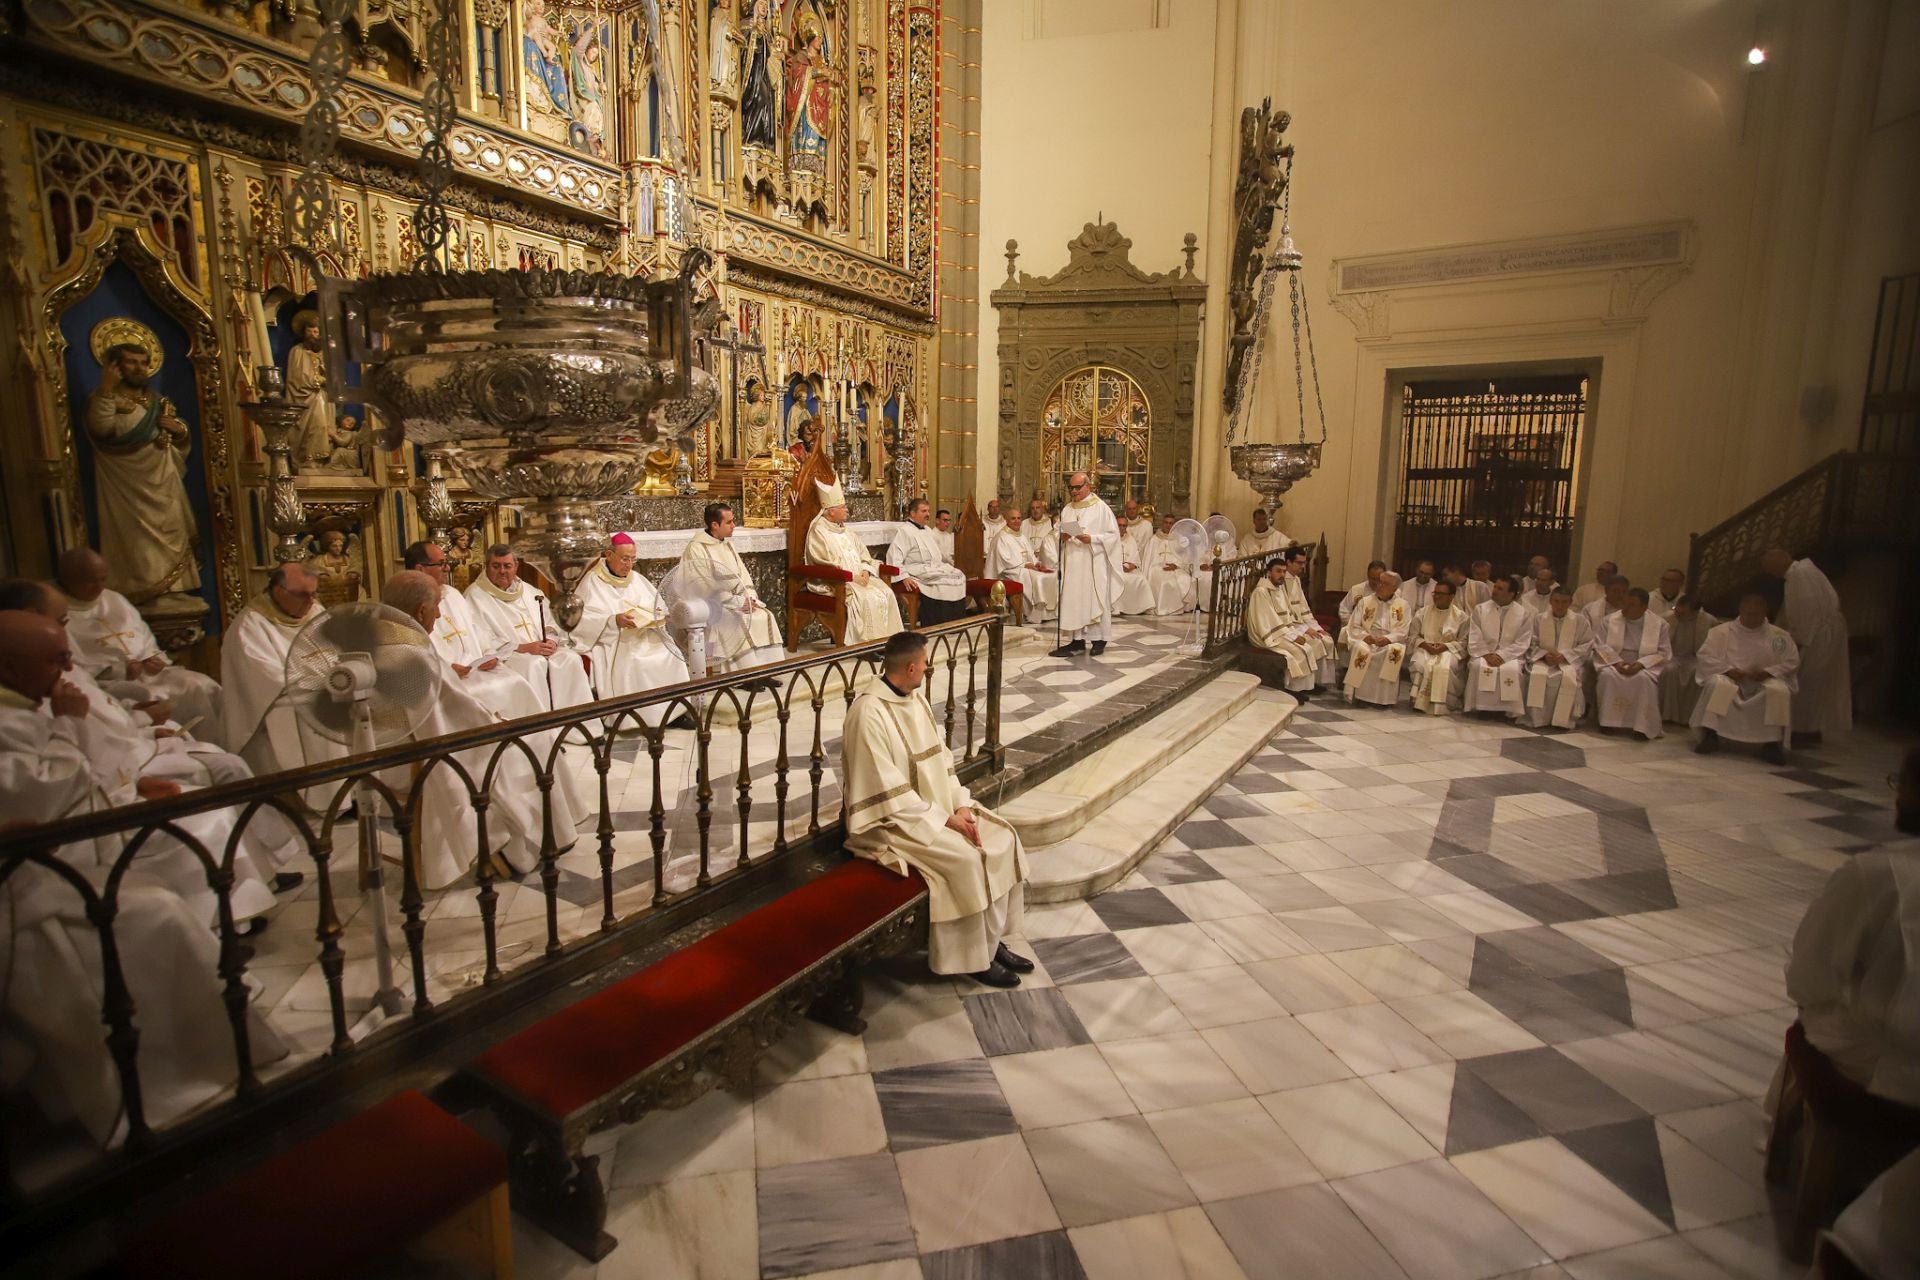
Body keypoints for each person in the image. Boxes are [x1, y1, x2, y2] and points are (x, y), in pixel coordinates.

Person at [840, 631, 1030, 988]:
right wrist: (945, 820)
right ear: (911, 668)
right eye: (926, 663)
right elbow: (886, 793)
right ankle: (972, 957)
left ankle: (991, 943)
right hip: (893, 823)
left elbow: (943, 762)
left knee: (1002, 837)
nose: (928, 669)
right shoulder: (868, 714)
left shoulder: (918, 701)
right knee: (967, 859)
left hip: (938, 808)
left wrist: (960, 804)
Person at [379, 572, 580, 887]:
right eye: (436, 608)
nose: (440, 615)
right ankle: (520, 848)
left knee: (529, 735)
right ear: (420, 611)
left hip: (396, 749)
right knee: (536, 743)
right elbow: (458, 720)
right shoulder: (416, 659)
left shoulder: (387, 641)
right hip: (427, 757)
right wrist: (497, 722)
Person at [1780, 744, 1919, 1107]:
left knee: (1818, 1021)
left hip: (1887, 1074)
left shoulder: (1876, 875)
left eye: (1901, 781)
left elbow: (1808, 977)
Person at [56, 547, 223, 736]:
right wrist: (119, 670)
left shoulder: (115, 599)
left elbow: (143, 635)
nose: (99, 587)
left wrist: (153, 658)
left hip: (148, 675)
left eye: (102, 579)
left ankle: (216, 743)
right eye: (90, 582)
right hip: (108, 684)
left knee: (201, 685)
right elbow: (71, 667)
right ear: (68, 578)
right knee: (150, 697)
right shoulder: (57, 612)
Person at [219, 562, 346, 782]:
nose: (311, 601)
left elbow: (335, 650)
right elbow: (270, 680)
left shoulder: (315, 611)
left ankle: (358, 785)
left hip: (323, 687)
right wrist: (317, 683)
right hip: (278, 703)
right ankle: (323, 789)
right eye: (303, 595)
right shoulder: (250, 626)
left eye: (314, 593)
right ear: (279, 591)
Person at [405, 541, 549, 723]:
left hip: (477, 668)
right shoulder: (409, 602)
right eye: (441, 563)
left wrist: (489, 654)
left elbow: (475, 629)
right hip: (447, 679)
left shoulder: (452, 594)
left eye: (446, 562)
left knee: (515, 682)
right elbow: (413, 652)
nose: (447, 568)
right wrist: (447, 670)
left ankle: (534, 733)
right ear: (420, 569)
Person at [573, 533, 693, 728]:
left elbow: (656, 605)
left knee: (672, 654)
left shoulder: (636, 579)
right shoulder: (592, 581)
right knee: (636, 661)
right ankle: (637, 719)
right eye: (624, 559)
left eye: (633, 559)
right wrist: (613, 621)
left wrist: (660, 615)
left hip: (644, 634)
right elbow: (581, 620)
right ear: (608, 554)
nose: (629, 565)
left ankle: (674, 713)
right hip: (614, 640)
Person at [464, 545, 595, 708]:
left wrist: (551, 640)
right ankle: (540, 722)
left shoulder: (528, 590)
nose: (502, 571)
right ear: (486, 566)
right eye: (496, 566)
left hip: (541, 648)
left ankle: (576, 720)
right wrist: (524, 648)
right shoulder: (475, 596)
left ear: (516, 566)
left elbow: (550, 621)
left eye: (507, 566)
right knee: (533, 665)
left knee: (570, 658)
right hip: (509, 655)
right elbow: (481, 638)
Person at [670, 505, 788, 673]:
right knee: (736, 621)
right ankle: (744, 676)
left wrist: (749, 598)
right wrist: (737, 603)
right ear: (714, 525)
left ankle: (766, 671)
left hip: (734, 601)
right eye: (729, 522)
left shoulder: (727, 544)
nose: (734, 525)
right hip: (709, 606)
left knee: (765, 615)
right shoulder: (696, 548)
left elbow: (743, 576)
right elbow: (704, 587)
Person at [1692, 592, 1799, 762]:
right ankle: (1711, 735)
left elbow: (1792, 661)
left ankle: (1771, 744)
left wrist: (1769, 672)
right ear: (1741, 611)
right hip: (1731, 677)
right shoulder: (1720, 633)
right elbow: (1705, 656)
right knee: (1718, 684)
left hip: (1763, 680)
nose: (1752, 618)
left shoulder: (1779, 636)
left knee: (1779, 690)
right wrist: (1728, 670)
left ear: (1765, 613)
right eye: (1748, 614)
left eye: (1757, 614)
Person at [1764, 548, 1852, 743]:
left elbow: (1807, 612)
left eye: (1770, 568)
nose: (1771, 573)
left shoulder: (1799, 575)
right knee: (1815, 684)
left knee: (1807, 682)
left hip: (1818, 636)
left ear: (1779, 561)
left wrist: (1798, 642)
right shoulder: (1802, 571)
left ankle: (1803, 731)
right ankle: (1809, 728)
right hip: (1822, 632)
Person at [803, 482, 904, 644]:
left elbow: (863, 554)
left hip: (859, 578)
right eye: (843, 507)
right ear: (831, 511)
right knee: (866, 598)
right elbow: (822, 561)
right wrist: (851, 577)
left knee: (886, 592)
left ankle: (890, 642)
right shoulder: (818, 531)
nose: (847, 510)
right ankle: (866, 644)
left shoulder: (845, 530)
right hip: (835, 582)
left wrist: (865, 570)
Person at [1049, 471, 1121, 658]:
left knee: (1094, 600)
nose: (1074, 491)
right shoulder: (1067, 509)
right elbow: (1056, 531)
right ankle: (1076, 642)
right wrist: (1062, 536)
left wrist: (1093, 539)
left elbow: (1113, 535)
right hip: (1073, 563)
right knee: (1074, 600)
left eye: (1077, 487)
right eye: (1071, 488)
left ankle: (1099, 640)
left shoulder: (1101, 508)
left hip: (1093, 563)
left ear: (1088, 486)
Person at [1593, 587, 1672, 740]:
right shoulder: (1609, 620)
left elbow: (1663, 652)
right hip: (1614, 661)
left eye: (1631, 605)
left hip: (1643, 663)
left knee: (1643, 680)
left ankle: (1641, 726)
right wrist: (1616, 662)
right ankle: (1608, 722)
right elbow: (1600, 645)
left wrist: (1641, 664)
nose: (1625, 608)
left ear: (1644, 607)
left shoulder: (1659, 624)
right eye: (1624, 603)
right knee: (1608, 677)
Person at [886, 499, 968, 626]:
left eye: (928, 511)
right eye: (923, 511)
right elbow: (894, 556)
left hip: (933, 567)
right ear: (913, 513)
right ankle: (936, 624)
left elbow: (936, 554)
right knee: (941, 581)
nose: (928, 514)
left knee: (959, 575)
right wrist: (904, 576)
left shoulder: (928, 530)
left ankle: (955, 623)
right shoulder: (904, 531)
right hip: (916, 569)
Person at [1245, 558, 1316, 699]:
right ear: (1269, 573)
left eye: (1284, 571)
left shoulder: (1279, 589)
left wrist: (1296, 632)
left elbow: (1287, 617)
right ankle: (1292, 689)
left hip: (1279, 632)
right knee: (1298, 651)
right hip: (1266, 635)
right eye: (1278, 571)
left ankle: (1300, 689)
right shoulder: (1261, 592)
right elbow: (1269, 621)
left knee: (1307, 648)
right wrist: (1293, 637)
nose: (1282, 575)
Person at [1464, 574, 1532, 719]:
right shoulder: (1480, 609)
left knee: (1513, 670)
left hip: (1510, 656)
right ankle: (1482, 708)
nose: (1494, 590)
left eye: (1500, 589)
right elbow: (1475, 635)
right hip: (1484, 653)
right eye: (1495, 587)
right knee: (1477, 666)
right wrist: (1487, 654)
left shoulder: (1523, 614)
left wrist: (1502, 655)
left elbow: (1522, 641)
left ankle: (1505, 710)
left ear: (1511, 594)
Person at [1524, 586, 1592, 730]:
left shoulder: (1580, 621)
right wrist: (1544, 655)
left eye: (1564, 602)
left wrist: (1565, 656)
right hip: (1543, 661)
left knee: (1566, 678)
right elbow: (1531, 642)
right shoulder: (1539, 619)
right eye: (1556, 601)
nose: (1560, 605)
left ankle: (1563, 720)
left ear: (1570, 602)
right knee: (1537, 675)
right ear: (1550, 601)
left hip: (1568, 662)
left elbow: (1586, 644)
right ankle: (1538, 719)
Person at [1340, 572, 1410, 707]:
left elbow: (1403, 630)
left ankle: (1383, 699)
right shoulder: (1365, 602)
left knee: (1393, 651)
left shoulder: (1403, 605)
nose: (1379, 586)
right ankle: (1359, 696)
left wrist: (1388, 639)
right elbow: (1354, 625)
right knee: (1361, 649)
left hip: (1389, 641)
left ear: (1394, 588)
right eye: (1380, 582)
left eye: (1385, 584)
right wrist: (1365, 636)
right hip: (1367, 639)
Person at [1407, 579, 1468, 715]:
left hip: (1449, 651)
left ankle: (1442, 704)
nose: (1437, 596)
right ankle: (1418, 700)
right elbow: (1412, 636)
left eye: (1441, 594)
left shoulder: (1461, 617)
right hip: (1425, 648)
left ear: (1451, 596)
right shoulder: (1422, 613)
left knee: (1444, 667)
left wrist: (1445, 646)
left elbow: (1464, 642)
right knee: (1419, 664)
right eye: (1435, 593)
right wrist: (1425, 644)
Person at [986, 512, 1055, 622]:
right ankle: (1034, 613)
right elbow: (1004, 560)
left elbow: (1029, 553)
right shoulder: (1001, 537)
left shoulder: (1021, 535)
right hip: (1007, 571)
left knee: (1051, 574)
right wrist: (1024, 564)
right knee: (1037, 578)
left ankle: (1048, 612)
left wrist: (1036, 563)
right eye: (1013, 518)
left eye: (1019, 518)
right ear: (1006, 520)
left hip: (1021, 567)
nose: (1017, 521)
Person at [1661, 595, 1717, 725]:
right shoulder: (1666, 618)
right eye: (1676, 611)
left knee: (1696, 673)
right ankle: (1668, 714)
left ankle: (1689, 717)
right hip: (1672, 656)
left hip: (1695, 658)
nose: (1677, 615)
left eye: (1682, 613)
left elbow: (1711, 648)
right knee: (1669, 671)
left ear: (1695, 612)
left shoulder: (1708, 621)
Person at [1145, 514, 1197, 615]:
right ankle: (1164, 608)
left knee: (1185, 579)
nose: (1168, 525)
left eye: (1171, 523)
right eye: (1166, 522)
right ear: (1162, 523)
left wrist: (1176, 565)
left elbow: (1184, 558)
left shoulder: (1179, 540)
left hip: (1175, 567)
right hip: (1157, 568)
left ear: (1174, 525)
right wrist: (1157, 566)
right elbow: (1148, 559)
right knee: (1166, 582)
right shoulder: (1154, 539)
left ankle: (1180, 607)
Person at [1109, 517, 1154, 616]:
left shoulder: (1130, 539)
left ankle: (1141, 607)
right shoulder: (1109, 539)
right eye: (1119, 525)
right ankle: (1117, 607)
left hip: (1128, 570)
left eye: (1124, 526)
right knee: (1116, 580)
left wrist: (1132, 565)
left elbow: (1135, 558)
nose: (1121, 528)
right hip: (1113, 570)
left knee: (1141, 579)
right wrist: (1118, 566)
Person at [1338, 560, 1387, 626]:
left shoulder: (1392, 593)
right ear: (1368, 576)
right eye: (1373, 579)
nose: (1376, 582)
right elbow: (1343, 610)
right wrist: (1355, 624)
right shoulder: (1356, 590)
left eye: (1379, 579)